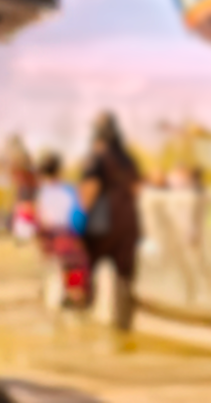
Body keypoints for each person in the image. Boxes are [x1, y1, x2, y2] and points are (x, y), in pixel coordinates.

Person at [79, 112, 143, 331]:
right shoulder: (128, 159)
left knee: (87, 266)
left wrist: (79, 218)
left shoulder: (97, 158)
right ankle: (124, 323)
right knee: (124, 275)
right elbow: (137, 190)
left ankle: (86, 315)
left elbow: (90, 190)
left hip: (101, 224)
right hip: (128, 225)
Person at [33, 151, 88, 308]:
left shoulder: (41, 193)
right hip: (69, 236)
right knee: (74, 270)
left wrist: (41, 241)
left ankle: (60, 299)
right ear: (59, 170)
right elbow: (79, 216)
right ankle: (75, 298)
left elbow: (39, 220)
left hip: (50, 238)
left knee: (55, 274)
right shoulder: (70, 190)